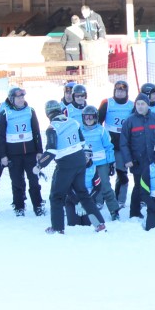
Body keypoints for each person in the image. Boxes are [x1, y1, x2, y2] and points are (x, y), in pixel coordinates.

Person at [33, 100, 106, 234]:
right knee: (83, 193)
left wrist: (39, 165)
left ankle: (57, 228)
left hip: (65, 164)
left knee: (56, 196)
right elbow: (82, 142)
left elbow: (51, 151)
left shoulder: (52, 128)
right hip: (80, 161)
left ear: (47, 114)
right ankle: (99, 224)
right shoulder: (73, 122)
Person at [0, 87, 46, 217]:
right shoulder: (5, 113)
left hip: (30, 153)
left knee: (34, 180)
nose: (21, 99)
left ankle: (38, 205)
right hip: (13, 154)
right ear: (12, 99)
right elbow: (0, 136)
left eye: (22, 97)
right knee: (17, 181)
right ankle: (19, 206)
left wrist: (39, 151)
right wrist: (3, 155)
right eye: (18, 97)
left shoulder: (30, 111)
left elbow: (36, 132)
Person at [120, 93, 155, 219]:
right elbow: (124, 143)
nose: (140, 106)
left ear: (148, 105)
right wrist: (128, 159)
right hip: (138, 161)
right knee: (138, 186)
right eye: (138, 104)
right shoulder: (129, 121)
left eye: (143, 104)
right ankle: (135, 212)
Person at [98, 80, 135, 208]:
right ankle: (99, 199)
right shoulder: (107, 103)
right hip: (107, 145)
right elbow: (98, 122)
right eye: (118, 90)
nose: (120, 93)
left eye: (123, 91)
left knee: (122, 174)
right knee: (103, 173)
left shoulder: (132, 105)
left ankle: (120, 200)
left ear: (126, 92)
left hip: (123, 145)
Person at [80, 105, 122, 221]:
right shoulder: (80, 131)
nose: (89, 119)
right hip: (86, 164)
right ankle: (87, 210)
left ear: (96, 117)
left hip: (101, 163)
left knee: (105, 186)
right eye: (86, 117)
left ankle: (114, 210)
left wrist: (111, 162)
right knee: (86, 186)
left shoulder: (101, 130)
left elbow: (108, 147)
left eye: (91, 117)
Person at [65, 152, 102, 227]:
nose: (85, 158)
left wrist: (86, 202)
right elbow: (67, 187)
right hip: (73, 199)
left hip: (88, 199)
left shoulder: (93, 169)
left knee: (87, 224)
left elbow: (97, 188)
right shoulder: (70, 167)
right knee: (74, 225)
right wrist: (77, 202)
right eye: (83, 155)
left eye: (88, 155)